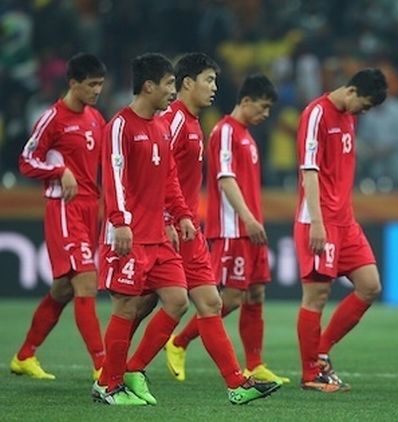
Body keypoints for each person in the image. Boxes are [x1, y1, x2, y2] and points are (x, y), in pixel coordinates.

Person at [92, 53, 279, 406]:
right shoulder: (164, 121)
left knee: (196, 301)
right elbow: (115, 177)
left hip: (174, 231)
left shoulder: (175, 124)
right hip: (143, 231)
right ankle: (112, 378)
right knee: (134, 305)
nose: (214, 88)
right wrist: (125, 221)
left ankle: (233, 382)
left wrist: (182, 215)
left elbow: (171, 179)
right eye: (208, 80)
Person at [161, 58, 286, 391]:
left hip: (249, 226)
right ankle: (179, 342)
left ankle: (255, 365)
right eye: (262, 107)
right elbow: (226, 179)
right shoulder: (225, 132)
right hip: (232, 228)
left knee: (255, 292)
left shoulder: (245, 134)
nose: (265, 114)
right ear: (245, 101)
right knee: (228, 297)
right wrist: (246, 218)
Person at [14, 53, 107, 381]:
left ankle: (25, 356)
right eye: (92, 84)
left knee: (63, 290)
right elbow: (26, 161)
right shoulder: (52, 118)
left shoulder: (96, 118)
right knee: (86, 281)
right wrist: (60, 170)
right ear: (73, 83)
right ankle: (102, 366)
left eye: (100, 84)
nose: (97, 90)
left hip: (89, 209)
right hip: (64, 209)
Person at [294, 68, 388, 392]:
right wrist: (318, 222)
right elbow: (309, 169)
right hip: (318, 219)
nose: (365, 112)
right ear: (351, 91)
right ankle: (310, 374)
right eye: (365, 104)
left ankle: (320, 352)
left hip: (345, 220)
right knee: (316, 295)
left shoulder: (350, 117)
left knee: (370, 285)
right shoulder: (317, 113)